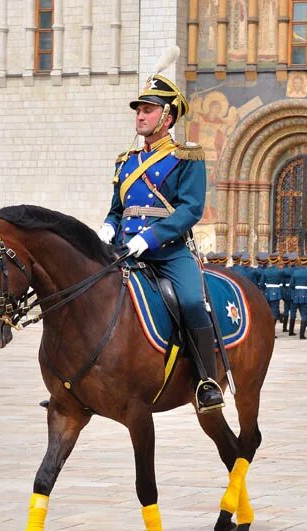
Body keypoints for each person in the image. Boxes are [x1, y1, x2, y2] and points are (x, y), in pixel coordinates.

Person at [97, 70, 224, 411]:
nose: (140, 115)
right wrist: (108, 227)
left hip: (169, 253)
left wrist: (149, 239)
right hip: (123, 249)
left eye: (148, 109)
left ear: (167, 117)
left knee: (192, 302)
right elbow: (117, 209)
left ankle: (206, 381)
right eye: (138, 109)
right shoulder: (126, 162)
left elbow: (189, 211)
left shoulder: (187, 158)